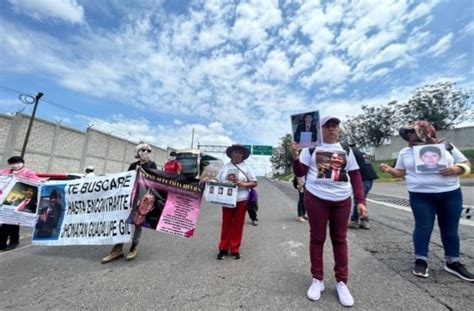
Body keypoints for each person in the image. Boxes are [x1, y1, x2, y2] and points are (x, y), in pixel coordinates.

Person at [379, 120, 473, 282]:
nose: (408, 135)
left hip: (450, 194)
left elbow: (466, 163)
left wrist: (458, 169)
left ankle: (453, 262)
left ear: (425, 131)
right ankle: (421, 259)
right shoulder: (405, 152)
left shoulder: (446, 145)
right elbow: (401, 172)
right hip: (420, 195)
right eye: (406, 132)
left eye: (412, 131)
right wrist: (389, 170)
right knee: (423, 227)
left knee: (450, 229)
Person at [290, 116, 367, 307]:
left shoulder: (346, 149)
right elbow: (300, 172)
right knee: (317, 238)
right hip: (315, 197)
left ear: (339, 129)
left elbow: (355, 175)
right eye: (327, 126)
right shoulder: (311, 148)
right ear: (320, 129)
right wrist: (294, 157)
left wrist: (361, 200)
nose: (332, 129)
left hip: (342, 199)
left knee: (340, 239)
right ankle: (318, 279)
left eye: (335, 126)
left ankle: (342, 282)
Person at [102, 143, 157, 263]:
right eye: (143, 150)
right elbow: (126, 179)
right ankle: (117, 248)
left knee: (138, 222)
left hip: (142, 198)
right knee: (122, 221)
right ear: (138, 151)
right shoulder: (133, 165)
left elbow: (154, 181)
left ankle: (133, 247)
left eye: (149, 151)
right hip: (129, 197)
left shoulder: (151, 165)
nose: (146, 152)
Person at [216, 144, 257, 260]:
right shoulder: (224, 167)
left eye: (240, 152)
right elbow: (216, 180)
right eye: (236, 152)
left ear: (243, 155)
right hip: (227, 199)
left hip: (241, 199)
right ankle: (223, 248)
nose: (238, 154)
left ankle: (234, 248)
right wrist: (208, 180)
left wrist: (244, 184)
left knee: (238, 224)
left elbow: (254, 182)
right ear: (231, 154)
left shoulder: (247, 168)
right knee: (226, 223)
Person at [0, 156, 40, 251]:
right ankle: (10, 241)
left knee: (10, 221)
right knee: (6, 221)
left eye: (17, 162)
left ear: (22, 163)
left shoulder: (28, 172)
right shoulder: (5, 171)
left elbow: (36, 182)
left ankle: (9, 242)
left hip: (19, 200)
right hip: (4, 200)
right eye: (12, 163)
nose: (15, 165)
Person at [348, 144, 378, 230]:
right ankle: (363, 220)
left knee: (359, 199)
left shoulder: (351, 152)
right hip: (369, 177)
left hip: (363, 178)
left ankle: (356, 221)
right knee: (361, 199)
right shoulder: (360, 152)